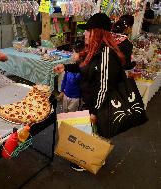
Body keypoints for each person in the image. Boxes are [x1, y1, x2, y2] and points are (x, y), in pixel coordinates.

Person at [54, 13, 126, 170]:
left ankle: (87, 159)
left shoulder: (107, 54)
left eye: (88, 30)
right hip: (89, 100)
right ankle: (88, 155)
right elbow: (83, 67)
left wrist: (94, 111)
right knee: (87, 132)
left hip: (99, 104)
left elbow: (104, 87)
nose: (85, 33)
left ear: (98, 33)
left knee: (90, 132)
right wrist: (65, 67)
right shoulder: (95, 50)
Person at [58, 40, 84, 113]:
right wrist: (62, 91)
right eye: (73, 52)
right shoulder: (70, 66)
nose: (73, 55)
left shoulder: (83, 69)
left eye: (76, 53)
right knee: (65, 111)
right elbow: (64, 79)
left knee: (72, 115)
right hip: (66, 95)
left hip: (76, 98)